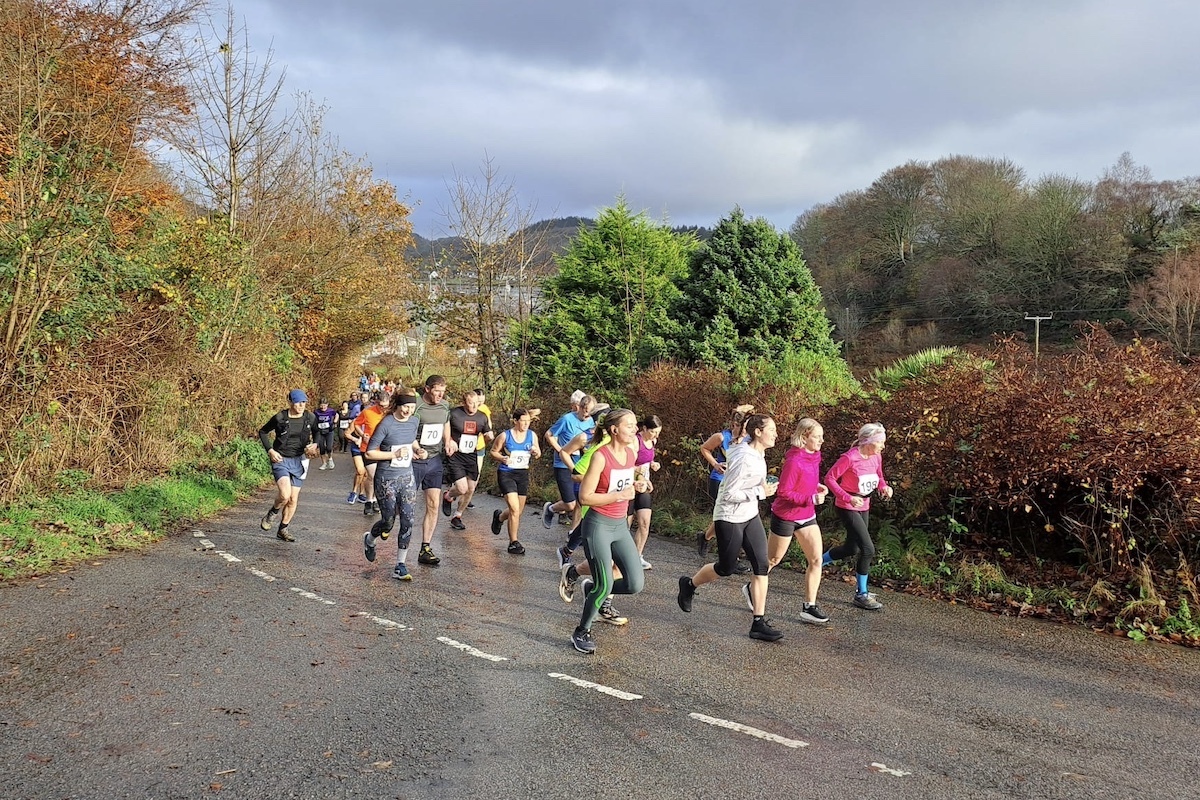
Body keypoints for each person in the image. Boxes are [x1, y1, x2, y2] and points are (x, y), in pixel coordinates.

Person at [677, 413, 783, 642]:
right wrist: (760, 492)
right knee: (725, 568)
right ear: (758, 432)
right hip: (729, 516)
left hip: (750, 515)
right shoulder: (744, 457)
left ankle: (758, 623)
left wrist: (766, 487)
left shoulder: (758, 452)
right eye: (772, 430)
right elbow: (729, 494)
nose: (776, 434)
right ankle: (689, 584)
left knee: (761, 565)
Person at [569, 409, 648, 655]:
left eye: (635, 425)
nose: (635, 429)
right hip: (598, 526)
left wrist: (638, 483)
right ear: (614, 430)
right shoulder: (600, 457)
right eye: (629, 425)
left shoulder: (630, 453)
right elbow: (585, 497)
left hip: (619, 526)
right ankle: (581, 631)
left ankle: (593, 589)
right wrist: (619, 495)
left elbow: (624, 480)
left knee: (635, 583)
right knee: (604, 584)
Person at [766, 418, 831, 624]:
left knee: (816, 560)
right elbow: (784, 491)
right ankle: (753, 587)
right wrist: (810, 498)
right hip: (785, 516)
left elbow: (804, 482)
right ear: (804, 437)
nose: (821, 440)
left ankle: (809, 607)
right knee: (772, 560)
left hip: (807, 516)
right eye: (817, 437)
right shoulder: (794, 461)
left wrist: (816, 487)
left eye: (821, 436)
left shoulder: (814, 456)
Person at [822, 423, 894, 610]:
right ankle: (861, 594)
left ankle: (818, 561)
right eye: (880, 442)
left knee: (851, 548)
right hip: (847, 506)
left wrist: (884, 487)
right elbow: (829, 478)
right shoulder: (850, 458)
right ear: (868, 442)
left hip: (864, 505)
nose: (883, 446)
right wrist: (848, 497)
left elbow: (879, 476)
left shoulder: (876, 456)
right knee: (868, 549)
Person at [362, 391, 425, 580]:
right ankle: (369, 539)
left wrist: (418, 449)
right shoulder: (386, 424)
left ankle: (400, 565)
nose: (408, 411)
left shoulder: (414, 421)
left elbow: (411, 440)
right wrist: (393, 455)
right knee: (388, 521)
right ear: (397, 405)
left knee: (408, 520)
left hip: (407, 477)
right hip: (386, 479)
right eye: (406, 407)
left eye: (412, 408)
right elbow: (370, 453)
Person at [257, 389, 321, 542]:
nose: (301, 405)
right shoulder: (280, 417)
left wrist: (315, 444)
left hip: (300, 460)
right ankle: (273, 512)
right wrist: (270, 450)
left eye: (304, 402)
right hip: (281, 459)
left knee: (293, 499)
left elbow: (318, 432)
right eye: (298, 402)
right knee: (285, 495)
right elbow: (263, 432)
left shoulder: (310, 417)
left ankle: (283, 529)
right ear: (290, 402)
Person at [696, 404, 755, 559]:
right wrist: (715, 464)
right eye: (741, 428)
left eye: (746, 428)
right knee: (728, 518)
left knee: (727, 517)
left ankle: (705, 537)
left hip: (738, 484)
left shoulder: (749, 440)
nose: (744, 432)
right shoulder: (722, 437)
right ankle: (732, 558)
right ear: (734, 425)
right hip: (719, 480)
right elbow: (704, 448)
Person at [411, 375, 456, 566]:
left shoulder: (445, 406)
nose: (440, 395)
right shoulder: (416, 406)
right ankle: (382, 527)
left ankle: (425, 548)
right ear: (427, 389)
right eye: (437, 391)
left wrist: (448, 441)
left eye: (443, 392)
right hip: (414, 461)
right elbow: (406, 429)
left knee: (433, 504)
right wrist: (414, 448)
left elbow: (445, 424)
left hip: (435, 461)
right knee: (403, 505)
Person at [489, 407, 541, 554]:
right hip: (506, 473)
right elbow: (493, 452)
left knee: (518, 511)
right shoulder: (505, 436)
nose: (526, 424)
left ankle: (499, 517)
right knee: (514, 508)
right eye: (523, 421)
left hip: (522, 474)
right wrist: (502, 458)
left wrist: (536, 452)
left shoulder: (532, 435)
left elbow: (538, 453)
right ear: (515, 421)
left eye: (528, 421)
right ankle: (513, 542)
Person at [441, 390, 494, 531]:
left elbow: (487, 432)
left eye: (476, 403)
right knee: (462, 488)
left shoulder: (482, 416)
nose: (474, 406)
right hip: (456, 455)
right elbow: (444, 429)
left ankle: (457, 516)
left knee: (471, 488)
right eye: (471, 403)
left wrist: (489, 436)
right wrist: (449, 441)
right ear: (464, 403)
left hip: (471, 455)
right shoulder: (454, 413)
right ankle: (448, 496)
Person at [542, 393, 596, 528]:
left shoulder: (593, 422)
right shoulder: (567, 419)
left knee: (580, 501)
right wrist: (561, 451)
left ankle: (573, 534)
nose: (586, 415)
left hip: (581, 464)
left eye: (589, 413)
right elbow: (549, 434)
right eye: (584, 411)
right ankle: (551, 508)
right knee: (571, 504)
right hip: (563, 465)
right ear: (580, 407)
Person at [346, 391, 388, 514]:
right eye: (381, 406)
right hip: (369, 449)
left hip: (385, 449)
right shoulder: (368, 412)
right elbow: (357, 424)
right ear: (376, 403)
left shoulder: (391, 413)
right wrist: (362, 434)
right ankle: (369, 501)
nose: (383, 409)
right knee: (372, 475)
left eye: (386, 406)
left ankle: (375, 499)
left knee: (381, 477)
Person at [629, 415, 662, 570]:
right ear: (644, 428)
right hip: (630, 485)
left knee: (644, 522)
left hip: (643, 486)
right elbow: (626, 464)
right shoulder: (635, 441)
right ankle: (618, 558)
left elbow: (646, 460)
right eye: (653, 432)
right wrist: (639, 476)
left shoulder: (653, 441)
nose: (656, 436)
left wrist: (652, 463)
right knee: (625, 524)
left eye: (658, 433)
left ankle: (637, 556)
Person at [315, 398, 338, 470]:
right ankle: (324, 463)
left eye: (324, 405)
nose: (323, 407)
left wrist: (335, 421)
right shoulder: (316, 412)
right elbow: (313, 419)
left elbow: (337, 415)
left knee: (329, 447)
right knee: (321, 448)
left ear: (327, 405)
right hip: (320, 431)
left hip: (329, 431)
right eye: (321, 405)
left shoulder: (331, 411)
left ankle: (330, 459)